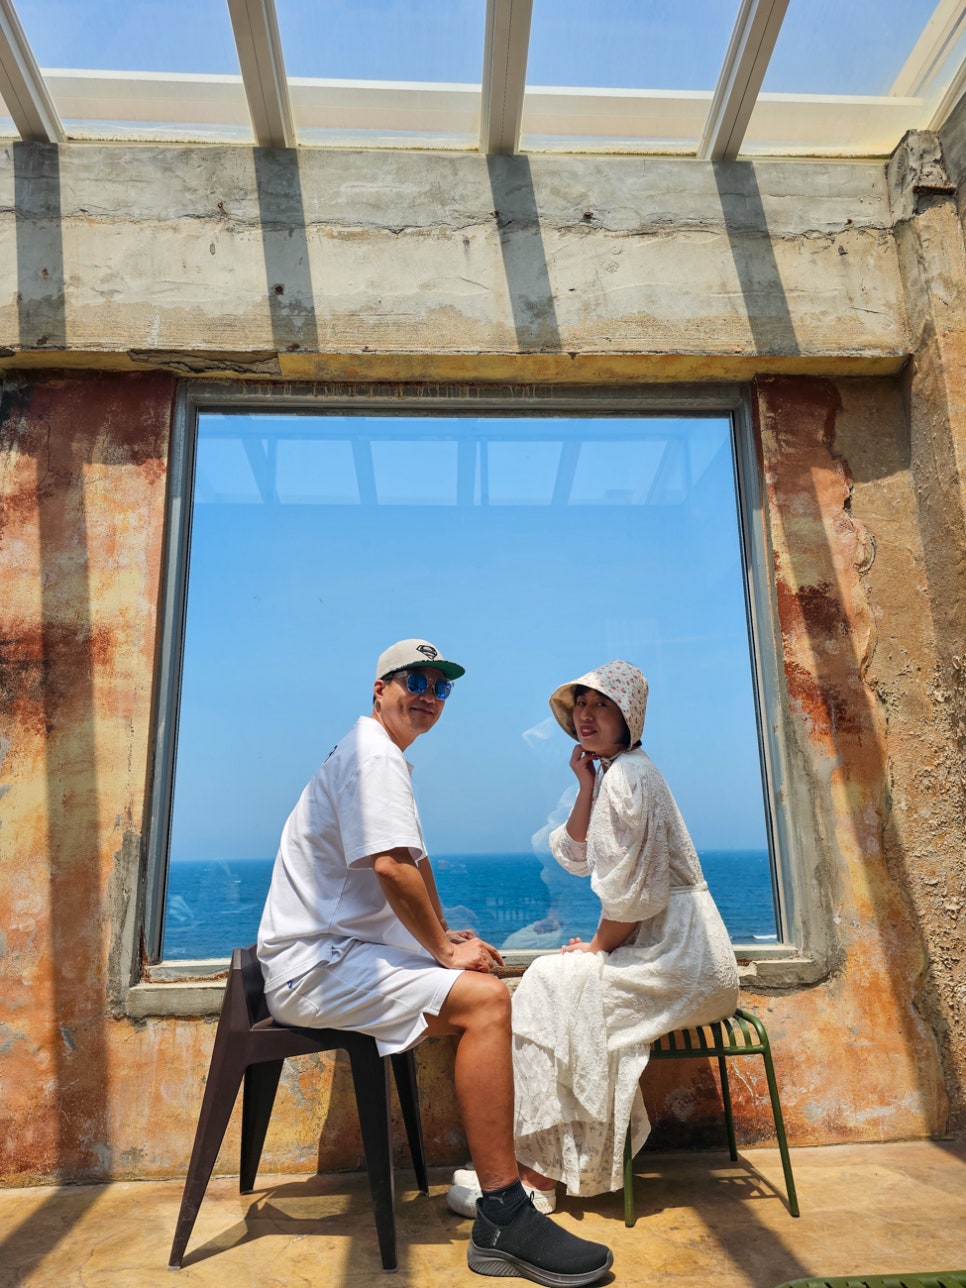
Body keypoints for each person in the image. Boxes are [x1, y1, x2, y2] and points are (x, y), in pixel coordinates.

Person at [257, 639, 613, 1287]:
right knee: (488, 1002)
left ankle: (504, 1195)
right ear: (379, 689)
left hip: (330, 957)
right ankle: (505, 1211)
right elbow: (393, 867)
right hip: (318, 968)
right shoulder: (374, 759)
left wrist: (445, 939)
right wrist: (444, 951)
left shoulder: (377, 755)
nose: (427, 693)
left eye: (440, 687)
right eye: (413, 680)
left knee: (476, 986)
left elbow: (411, 861)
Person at [448, 659, 739, 1214]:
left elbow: (633, 895)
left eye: (600, 704)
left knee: (556, 988)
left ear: (628, 715)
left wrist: (599, 948)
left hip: (680, 957)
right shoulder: (615, 773)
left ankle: (536, 1178)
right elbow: (578, 855)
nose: (586, 714)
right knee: (555, 984)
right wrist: (584, 784)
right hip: (669, 949)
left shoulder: (629, 776)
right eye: (580, 703)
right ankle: (534, 1168)